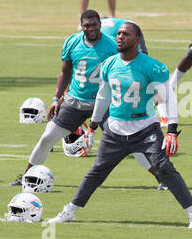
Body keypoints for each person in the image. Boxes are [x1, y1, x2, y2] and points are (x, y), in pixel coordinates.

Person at [48, 23, 192, 229]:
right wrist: (93, 127)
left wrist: (172, 131)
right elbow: (103, 96)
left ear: (137, 39)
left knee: (164, 168)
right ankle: (70, 211)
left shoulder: (152, 66)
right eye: (119, 33)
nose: (120, 37)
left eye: (126, 34)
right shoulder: (110, 64)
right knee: (96, 172)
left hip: (145, 128)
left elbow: (169, 99)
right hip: (115, 130)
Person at [9, 10, 117, 186]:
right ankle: (27, 175)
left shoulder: (112, 45)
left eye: (94, 24)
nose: (90, 28)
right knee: (47, 138)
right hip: (75, 101)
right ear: (81, 25)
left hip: (103, 103)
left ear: (100, 24)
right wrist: (56, 99)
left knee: (129, 140)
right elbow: (65, 71)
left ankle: (162, 178)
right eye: (86, 25)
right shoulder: (72, 42)